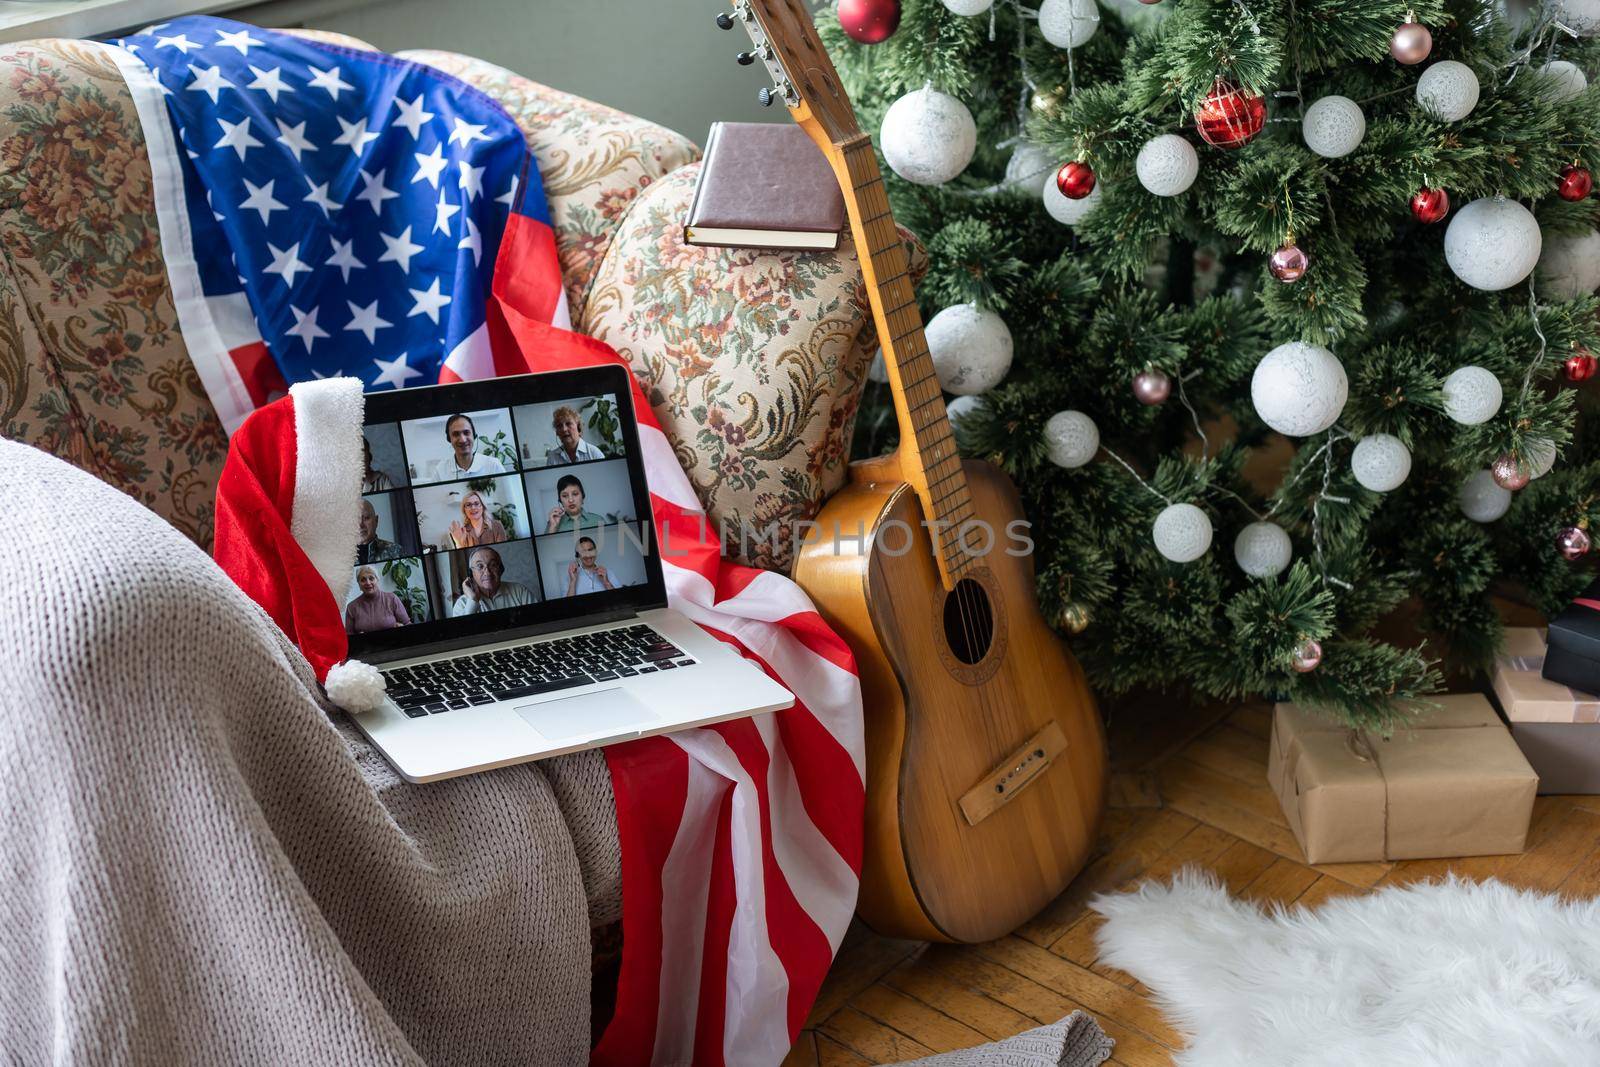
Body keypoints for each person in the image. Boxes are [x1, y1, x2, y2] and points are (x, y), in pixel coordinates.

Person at [450, 546, 537, 616]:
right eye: (480, 566)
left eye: (493, 565)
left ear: (501, 569)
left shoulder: (520, 592)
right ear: (471, 573)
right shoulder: (462, 603)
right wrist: (473, 600)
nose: (487, 572)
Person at [423, 413, 505, 482]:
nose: (462, 440)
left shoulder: (494, 465)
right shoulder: (440, 470)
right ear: (449, 439)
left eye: (466, 432)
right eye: (456, 434)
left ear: (474, 436)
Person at [344, 566, 412, 632]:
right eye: (363, 580)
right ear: (359, 584)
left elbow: (407, 624)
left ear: (377, 580)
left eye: (371, 578)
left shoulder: (392, 598)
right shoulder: (351, 607)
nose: (368, 583)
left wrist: (401, 629)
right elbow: (349, 636)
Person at [356, 499, 403, 564]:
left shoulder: (396, 551)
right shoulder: (340, 556)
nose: (360, 525)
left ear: (376, 520)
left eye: (366, 518)